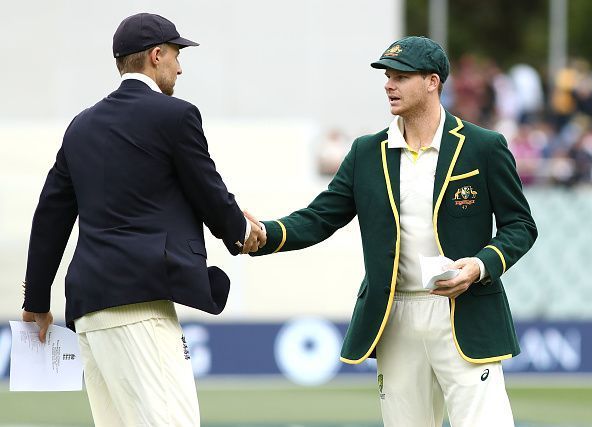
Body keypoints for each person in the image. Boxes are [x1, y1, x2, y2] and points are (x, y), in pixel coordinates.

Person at [248, 36, 537, 426]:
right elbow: (320, 217)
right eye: (387, 76)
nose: (388, 85)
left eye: (400, 76)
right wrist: (266, 233)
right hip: (395, 315)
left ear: (432, 82)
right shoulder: (367, 152)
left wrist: (479, 267)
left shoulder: (483, 146)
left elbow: (520, 225)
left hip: (466, 311)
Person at [21, 12, 265, 427]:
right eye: (175, 55)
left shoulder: (80, 126)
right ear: (156, 55)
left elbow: (49, 217)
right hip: (142, 305)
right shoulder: (176, 115)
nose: (180, 66)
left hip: (89, 311)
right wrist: (243, 232)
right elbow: (207, 189)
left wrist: (36, 303)